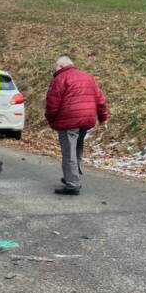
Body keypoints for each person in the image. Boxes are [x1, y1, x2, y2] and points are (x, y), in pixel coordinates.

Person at [45, 55, 109, 196]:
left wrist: (50, 118)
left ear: (61, 66)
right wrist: (103, 117)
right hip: (87, 120)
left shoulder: (60, 79)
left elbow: (52, 103)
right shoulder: (88, 77)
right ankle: (72, 175)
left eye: (55, 67)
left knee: (69, 152)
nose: (53, 69)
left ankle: (72, 184)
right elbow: (100, 99)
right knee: (77, 148)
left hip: (69, 121)